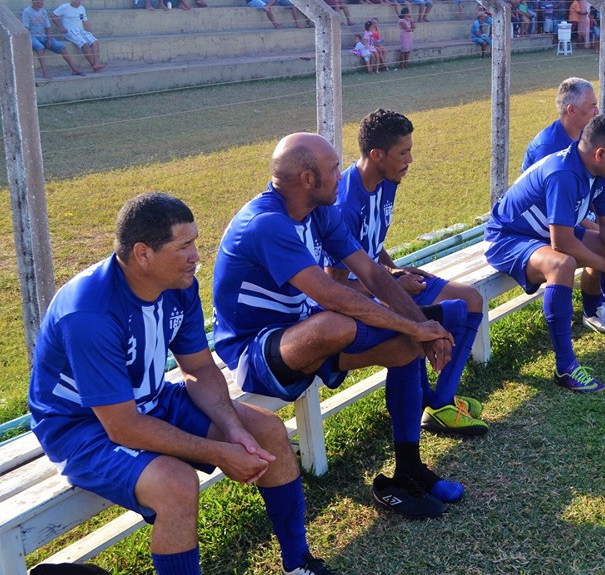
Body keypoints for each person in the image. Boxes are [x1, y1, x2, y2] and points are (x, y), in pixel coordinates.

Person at [28, 192, 337, 575]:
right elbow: (123, 426)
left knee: (267, 432)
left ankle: (298, 563)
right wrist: (220, 453)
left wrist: (233, 430)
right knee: (176, 484)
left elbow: (199, 369)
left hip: (149, 398)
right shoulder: (89, 312)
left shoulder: (179, 283)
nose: (196, 256)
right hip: (83, 426)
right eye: (184, 246)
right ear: (143, 254)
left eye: (195, 242)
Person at [212, 133, 463, 519]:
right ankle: (431, 325)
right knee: (336, 325)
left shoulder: (320, 210)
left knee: (404, 348)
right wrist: (417, 325)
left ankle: (409, 471)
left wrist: (419, 327)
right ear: (307, 180)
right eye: (333, 170)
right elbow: (334, 296)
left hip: (304, 325)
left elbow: (375, 275)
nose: (341, 177)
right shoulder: (265, 225)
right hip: (255, 352)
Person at [326, 110, 489, 435]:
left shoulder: (387, 181)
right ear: (377, 155)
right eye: (403, 152)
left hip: (384, 282)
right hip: (361, 299)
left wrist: (392, 268)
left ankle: (441, 400)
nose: (410, 159)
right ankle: (438, 405)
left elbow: (370, 244)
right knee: (454, 310)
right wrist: (392, 284)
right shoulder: (346, 204)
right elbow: (334, 286)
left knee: (471, 299)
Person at [485, 116, 605, 393]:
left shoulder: (601, 172)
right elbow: (561, 242)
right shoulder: (563, 173)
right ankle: (565, 367)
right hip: (509, 237)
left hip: (545, 233)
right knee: (562, 263)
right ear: (600, 154)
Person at [522, 78, 605, 338]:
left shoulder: (589, 138)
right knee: (603, 241)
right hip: (551, 219)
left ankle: (602, 300)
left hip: (579, 210)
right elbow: (552, 206)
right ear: (571, 111)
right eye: (592, 106)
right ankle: (593, 307)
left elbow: (594, 187)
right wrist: (592, 226)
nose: (597, 111)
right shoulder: (548, 147)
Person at [22, 0, 84, 78]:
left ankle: (74, 69)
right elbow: (26, 28)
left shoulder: (43, 11)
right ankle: (45, 72)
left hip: (42, 36)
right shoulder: (27, 11)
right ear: (34, 1)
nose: (42, 2)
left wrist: (49, 39)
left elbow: (47, 27)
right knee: (40, 47)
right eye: (40, 1)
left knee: (62, 47)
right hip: (32, 36)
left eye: (43, 1)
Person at [52, 0, 106, 72]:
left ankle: (97, 63)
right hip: (70, 31)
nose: (79, 2)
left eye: (80, 0)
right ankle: (93, 65)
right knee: (85, 44)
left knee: (95, 42)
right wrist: (61, 27)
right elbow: (53, 15)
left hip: (80, 30)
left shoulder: (81, 8)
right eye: (77, 0)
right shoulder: (65, 7)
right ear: (72, 0)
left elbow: (85, 20)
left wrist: (89, 31)